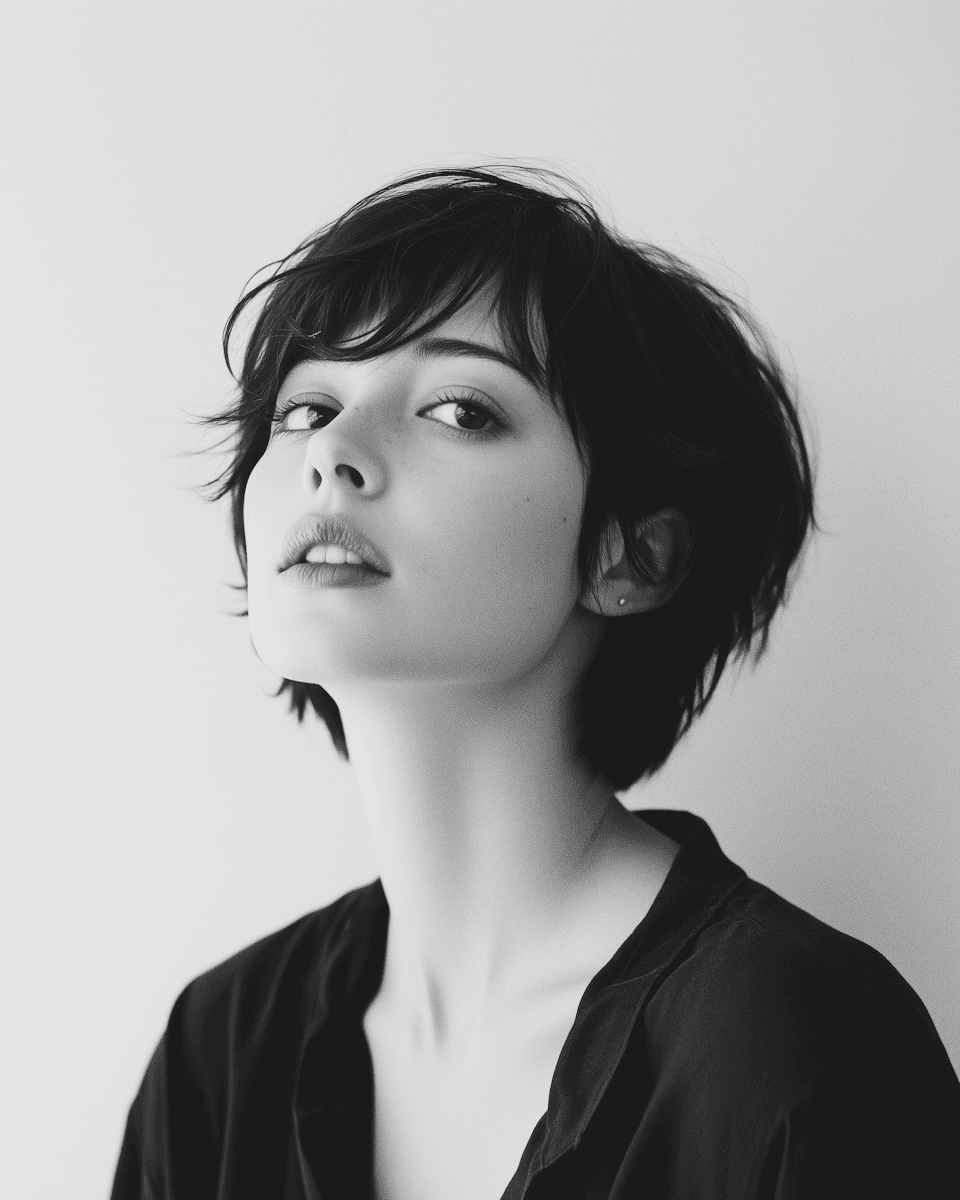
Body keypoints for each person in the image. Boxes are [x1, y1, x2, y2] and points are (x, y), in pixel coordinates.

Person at [111, 166, 960, 1200]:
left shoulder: (796, 1044)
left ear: (633, 558)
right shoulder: (222, 1050)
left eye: (461, 408)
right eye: (304, 407)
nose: (332, 452)